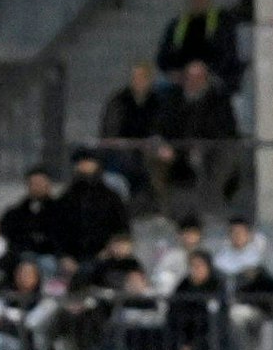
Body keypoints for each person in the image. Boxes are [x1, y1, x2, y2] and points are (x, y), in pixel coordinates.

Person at [158, 58, 239, 197]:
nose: (194, 81)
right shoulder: (173, 99)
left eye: (199, 77)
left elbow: (226, 130)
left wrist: (203, 145)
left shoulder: (218, 101)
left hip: (210, 149)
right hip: (178, 149)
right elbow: (161, 126)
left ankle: (211, 203)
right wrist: (163, 144)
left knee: (223, 158)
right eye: (190, 77)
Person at [99, 60, 178, 198]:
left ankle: (157, 205)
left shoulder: (158, 102)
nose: (139, 81)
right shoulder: (118, 100)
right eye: (136, 77)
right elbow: (110, 132)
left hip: (149, 151)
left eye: (143, 77)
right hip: (121, 152)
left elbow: (163, 129)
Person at [58, 146, 130, 264]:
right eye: (81, 162)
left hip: (106, 256)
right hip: (72, 259)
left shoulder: (111, 198)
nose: (84, 166)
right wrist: (64, 256)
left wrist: (110, 250)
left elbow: (122, 229)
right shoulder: (66, 199)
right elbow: (59, 232)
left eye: (88, 162)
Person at [156, 0, 235, 82]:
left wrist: (206, 72)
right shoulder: (176, 25)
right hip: (181, 78)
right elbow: (162, 57)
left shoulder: (222, 23)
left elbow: (227, 55)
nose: (197, 0)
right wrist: (173, 72)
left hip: (211, 76)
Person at [0, 167, 66, 261]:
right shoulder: (15, 213)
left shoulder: (61, 211)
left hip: (52, 257)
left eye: (41, 183)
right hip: (22, 256)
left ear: (49, 185)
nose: (37, 187)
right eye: (34, 183)